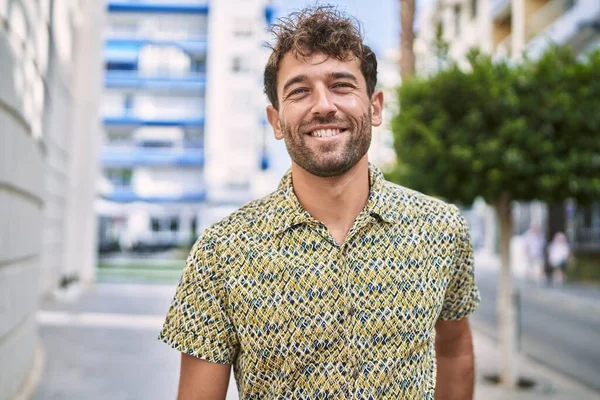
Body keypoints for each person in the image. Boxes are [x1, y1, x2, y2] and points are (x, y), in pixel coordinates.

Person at [159, 6, 480, 399]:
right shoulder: (222, 252)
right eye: (299, 90)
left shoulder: (441, 230)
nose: (323, 105)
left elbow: (454, 349)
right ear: (276, 121)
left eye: (342, 85)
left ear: (375, 107)